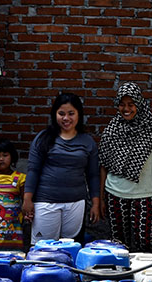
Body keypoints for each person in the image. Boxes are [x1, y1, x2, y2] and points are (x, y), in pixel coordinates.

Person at [98, 83, 152, 253]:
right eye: (122, 104)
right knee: (117, 247)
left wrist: (150, 178)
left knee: (144, 246)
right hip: (114, 194)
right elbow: (103, 166)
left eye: (131, 104)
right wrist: (101, 198)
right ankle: (119, 278)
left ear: (139, 104)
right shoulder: (112, 130)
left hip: (144, 196)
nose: (126, 108)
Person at [23, 92, 101, 245]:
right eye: (61, 114)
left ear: (79, 114)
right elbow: (33, 170)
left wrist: (96, 203)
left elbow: (93, 175)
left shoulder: (87, 142)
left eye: (71, 113)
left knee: (71, 248)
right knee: (43, 251)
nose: (66, 118)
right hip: (45, 203)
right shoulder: (43, 138)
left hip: (76, 204)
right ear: (55, 114)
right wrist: (27, 199)